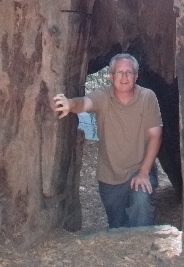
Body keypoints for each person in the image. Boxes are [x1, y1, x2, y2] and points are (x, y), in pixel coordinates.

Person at [53, 53, 162, 228]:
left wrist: (144, 171)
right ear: (111, 76)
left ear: (136, 76)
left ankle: (141, 251)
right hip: (110, 177)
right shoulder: (103, 96)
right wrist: (70, 104)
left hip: (138, 169)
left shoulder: (147, 97)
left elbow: (155, 135)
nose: (124, 77)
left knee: (141, 205)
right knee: (117, 225)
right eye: (119, 72)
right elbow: (85, 103)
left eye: (129, 72)